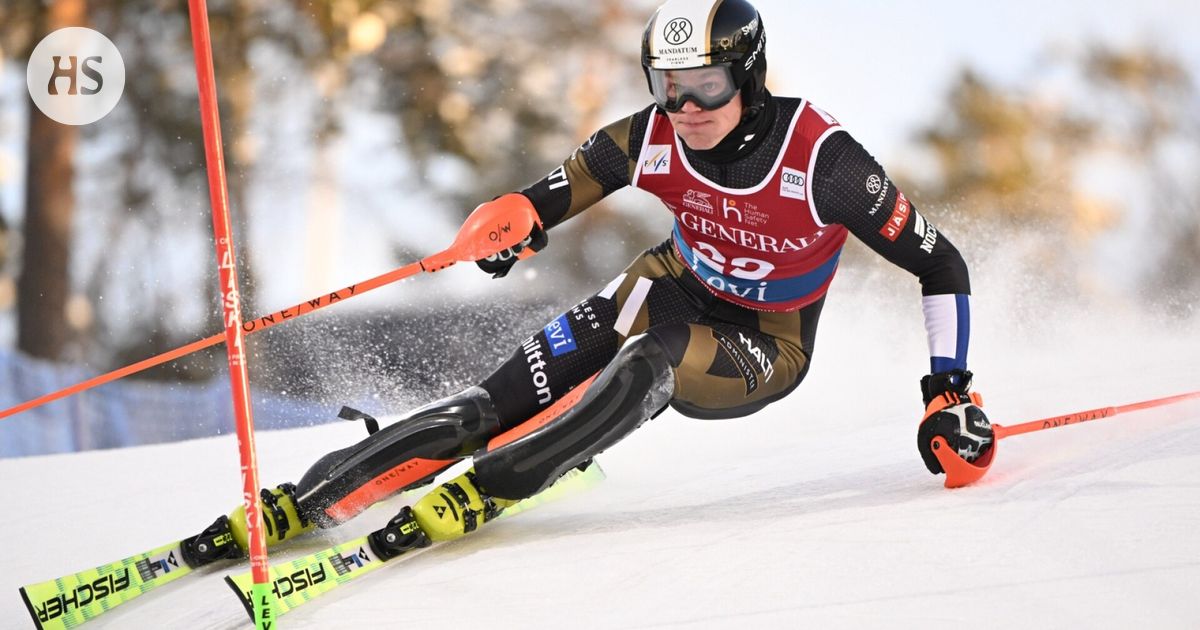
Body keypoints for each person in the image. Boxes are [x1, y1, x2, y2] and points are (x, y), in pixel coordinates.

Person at [182, 0, 995, 565]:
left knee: (649, 364)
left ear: (749, 76)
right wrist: (506, 225)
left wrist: (947, 393)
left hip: (762, 340)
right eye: (667, 85)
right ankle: (311, 496)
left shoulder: (823, 160)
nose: (685, 106)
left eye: (705, 84)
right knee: (490, 403)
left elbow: (940, 262)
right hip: (666, 282)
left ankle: (496, 487)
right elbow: (550, 195)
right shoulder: (650, 135)